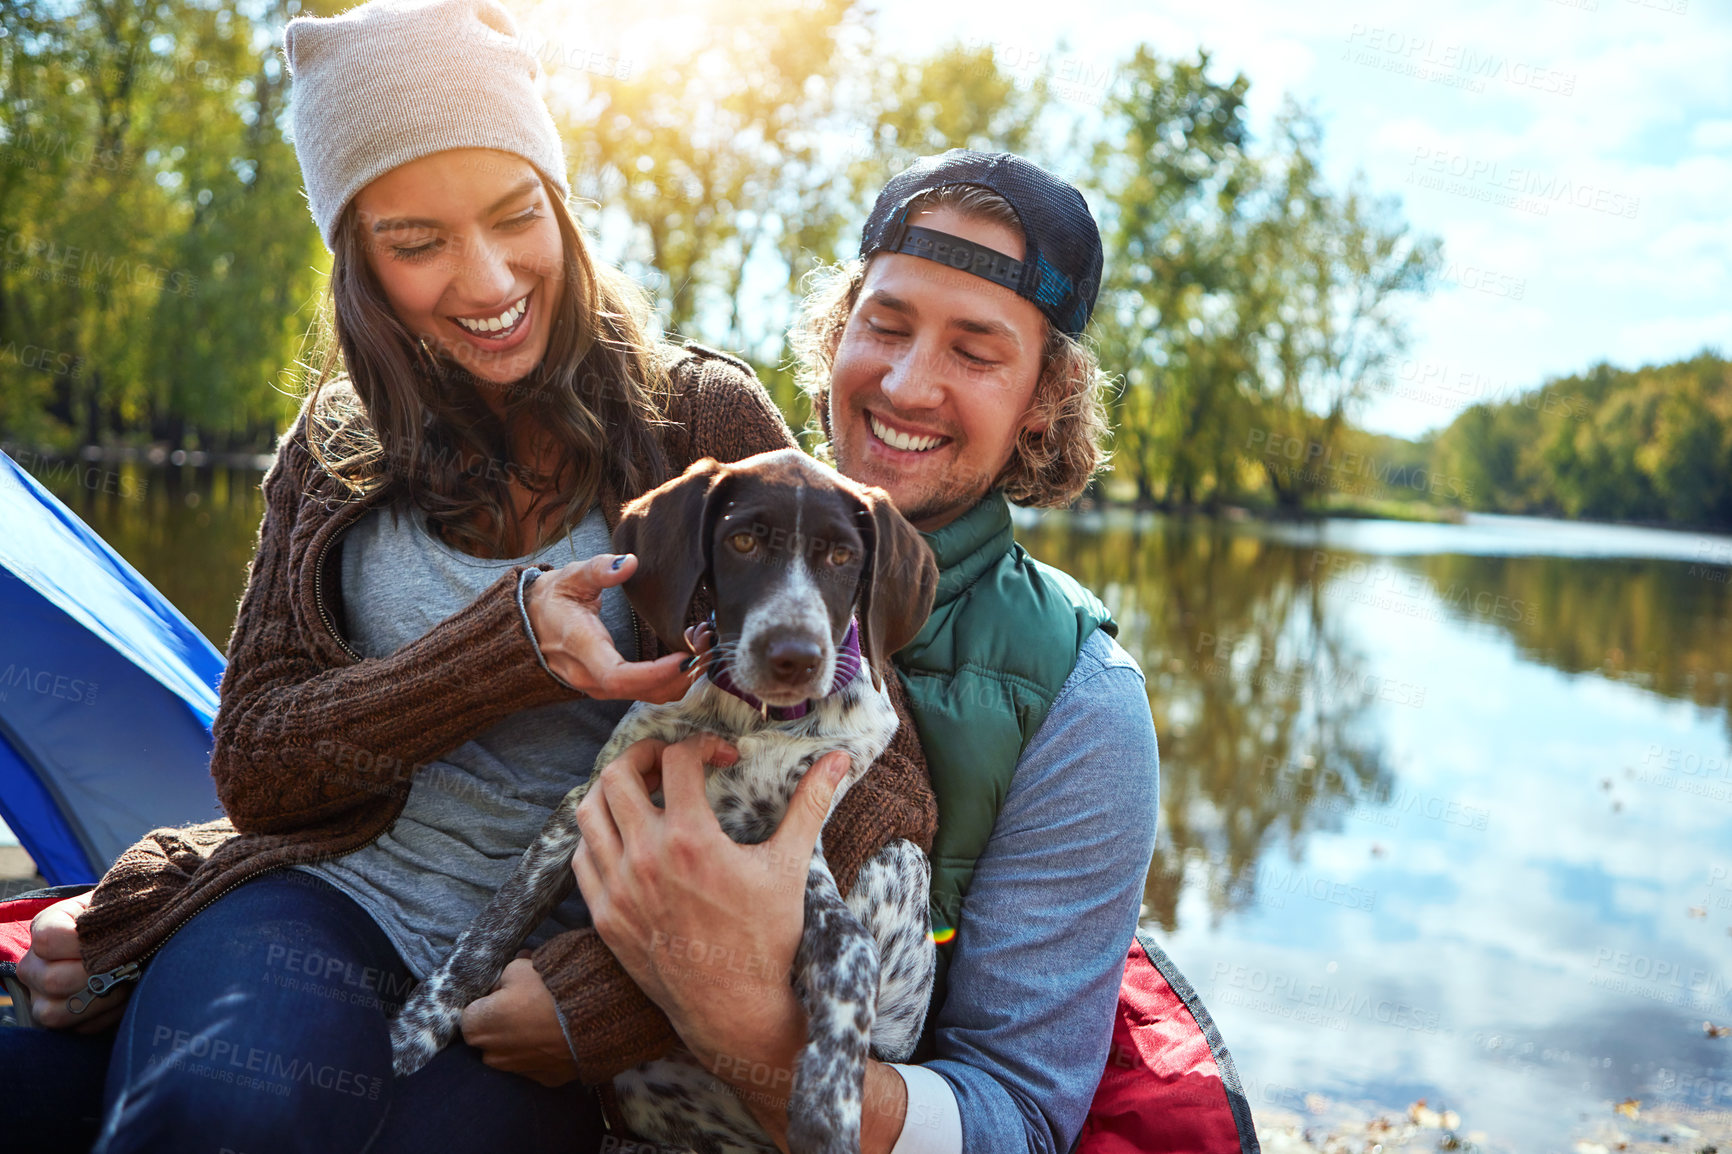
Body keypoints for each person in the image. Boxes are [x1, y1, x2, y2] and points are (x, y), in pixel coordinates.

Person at [1, 1, 935, 1151]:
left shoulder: (697, 417)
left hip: (549, 968)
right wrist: (504, 655)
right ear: (358, 258)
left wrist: (606, 994)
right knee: (216, 1109)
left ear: (560, 206)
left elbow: (883, 783)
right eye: (417, 239)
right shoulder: (336, 448)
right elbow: (255, 763)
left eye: (513, 215)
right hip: (331, 900)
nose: (487, 276)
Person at [569, 151, 1161, 1152]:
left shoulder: (1080, 702)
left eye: (976, 351)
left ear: (1044, 399)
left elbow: (1013, 1118)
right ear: (839, 332)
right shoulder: (675, 543)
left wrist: (747, 1029)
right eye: (884, 325)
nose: (906, 382)